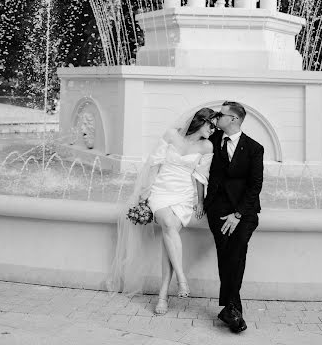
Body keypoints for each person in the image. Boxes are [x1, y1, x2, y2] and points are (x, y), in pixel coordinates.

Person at [109, 107, 216, 315]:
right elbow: (154, 164)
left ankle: (163, 296)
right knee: (168, 224)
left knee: (169, 235)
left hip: (183, 196)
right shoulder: (171, 135)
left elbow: (201, 177)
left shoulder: (207, 146)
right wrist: (145, 193)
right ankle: (182, 278)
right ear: (200, 121)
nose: (213, 130)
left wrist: (200, 203)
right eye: (210, 125)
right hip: (161, 191)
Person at [204, 101, 264, 334]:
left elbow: (255, 185)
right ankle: (232, 309)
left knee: (237, 249)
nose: (217, 117)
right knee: (226, 253)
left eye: (221, 114)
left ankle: (231, 308)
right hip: (218, 209)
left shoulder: (254, 148)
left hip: (245, 212)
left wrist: (238, 214)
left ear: (234, 120)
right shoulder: (210, 140)